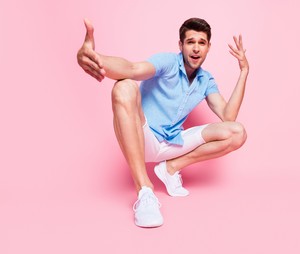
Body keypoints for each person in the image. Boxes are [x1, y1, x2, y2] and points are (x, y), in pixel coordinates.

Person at [77, 17, 249, 228]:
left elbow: (228, 116)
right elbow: (131, 68)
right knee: (124, 86)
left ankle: (170, 168)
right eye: (190, 42)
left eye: (201, 43)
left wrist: (243, 71)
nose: (196, 49)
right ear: (180, 45)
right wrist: (95, 58)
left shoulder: (206, 80)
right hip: (142, 138)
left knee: (237, 132)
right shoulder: (168, 62)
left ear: (208, 47)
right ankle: (145, 192)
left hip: (171, 144)